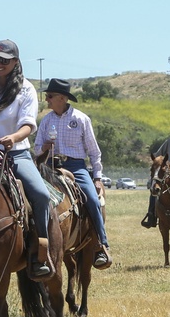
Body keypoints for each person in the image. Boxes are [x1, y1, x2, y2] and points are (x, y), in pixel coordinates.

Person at [0, 39, 54, 279]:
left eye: (4, 60)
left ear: (15, 62)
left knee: (41, 195)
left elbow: (28, 124)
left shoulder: (26, 88)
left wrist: (12, 138)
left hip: (14, 153)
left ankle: (39, 253)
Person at [33, 78, 111, 269]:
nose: (47, 99)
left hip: (76, 166)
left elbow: (94, 151)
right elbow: (35, 150)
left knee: (92, 199)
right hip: (49, 166)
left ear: (62, 98)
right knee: (30, 197)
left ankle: (101, 245)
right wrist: (44, 147)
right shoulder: (46, 121)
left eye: (50, 96)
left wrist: (98, 178)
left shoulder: (81, 119)